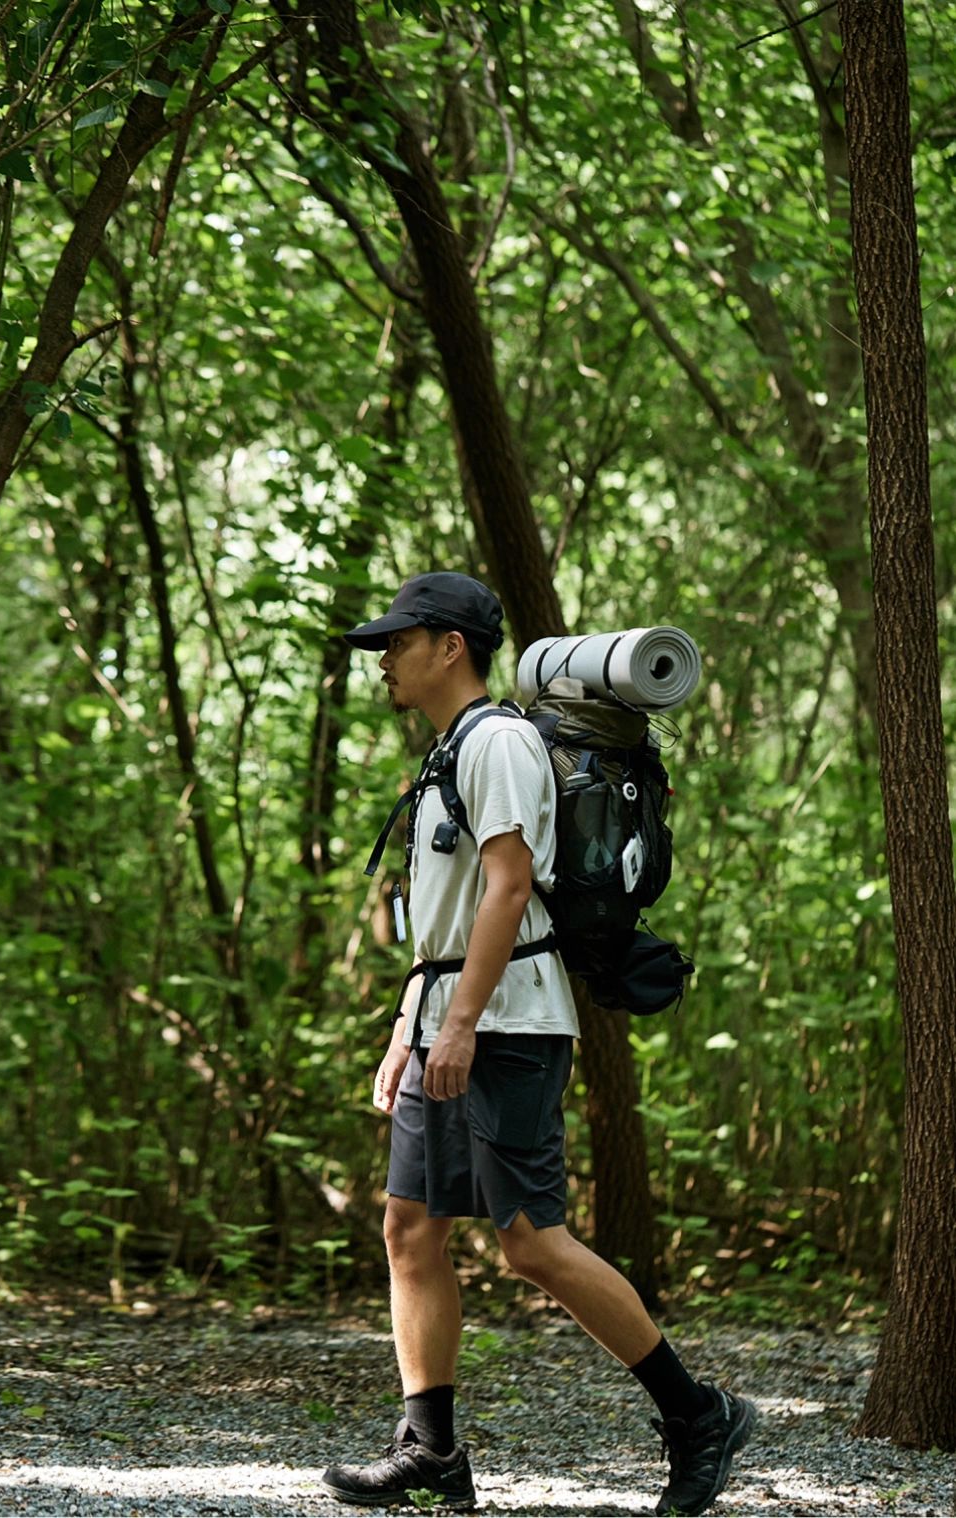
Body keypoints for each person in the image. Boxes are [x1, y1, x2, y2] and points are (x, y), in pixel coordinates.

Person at [321, 573, 756, 1516]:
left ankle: (700, 1415)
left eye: (400, 640)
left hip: (508, 1024)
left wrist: (466, 1023)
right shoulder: (447, 754)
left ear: (451, 647)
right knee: (410, 1227)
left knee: (531, 1243)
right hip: (448, 1019)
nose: (386, 659)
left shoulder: (504, 743)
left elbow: (510, 888)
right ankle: (430, 1452)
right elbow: (439, 918)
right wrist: (409, 1029)